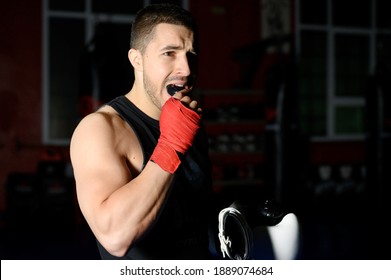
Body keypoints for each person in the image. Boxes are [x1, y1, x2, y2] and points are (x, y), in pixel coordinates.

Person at [70, 3, 214, 260]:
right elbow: (115, 237)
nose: (186, 70)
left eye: (191, 54)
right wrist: (171, 145)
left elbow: (189, 216)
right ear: (137, 59)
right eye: (170, 53)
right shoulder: (101, 129)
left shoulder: (191, 123)